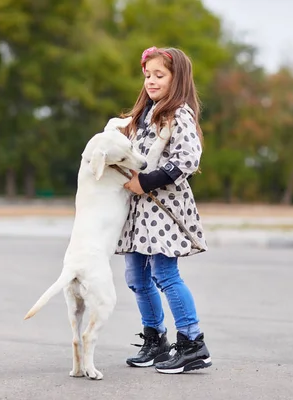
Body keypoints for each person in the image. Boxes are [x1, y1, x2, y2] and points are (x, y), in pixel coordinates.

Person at [115, 46, 212, 374]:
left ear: (176, 78)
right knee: (136, 277)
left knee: (164, 274)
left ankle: (193, 342)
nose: (151, 81)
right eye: (147, 75)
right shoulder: (145, 113)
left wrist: (147, 181)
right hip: (139, 211)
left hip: (163, 207)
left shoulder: (178, 113)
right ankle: (156, 340)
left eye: (160, 75)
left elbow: (187, 158)